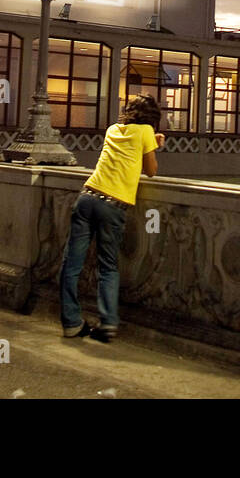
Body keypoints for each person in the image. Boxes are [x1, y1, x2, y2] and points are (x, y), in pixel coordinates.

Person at [59, 95, 165, 343]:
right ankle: (107, 324)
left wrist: (150, 143)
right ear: (153, 118)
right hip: (113, 205)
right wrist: (154, 145)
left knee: (71, 264)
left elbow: (126, 150)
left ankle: (71, 323)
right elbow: (150, 170)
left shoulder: (113, 129)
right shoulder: (147, 131)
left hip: (87, 196)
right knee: (107, 266)